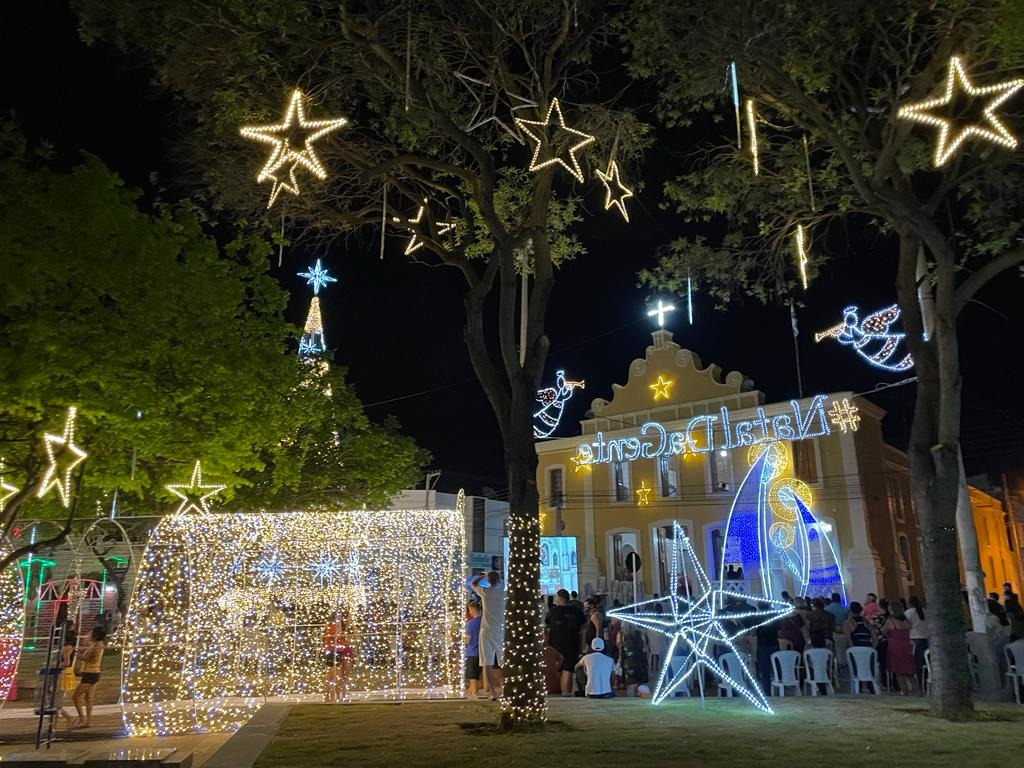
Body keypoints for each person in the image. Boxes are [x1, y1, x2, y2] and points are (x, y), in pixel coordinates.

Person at [470, 571, 505, 700]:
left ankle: (492, 693)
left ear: (488, 581)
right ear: (499, 580)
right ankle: (507, 687)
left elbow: (473, 583)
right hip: (501, 630)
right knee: (505, 661)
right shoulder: (503, 594)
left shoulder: (485, 592)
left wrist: (483, 575)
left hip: (486, 630)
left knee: (487, 662)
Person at [544, 589, 585, 696]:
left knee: (558, 667)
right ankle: (566, 692)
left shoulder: (553, 611)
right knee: (568, 668)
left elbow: (547, 626)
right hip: (572, 643)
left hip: (556, 643)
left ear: (559, 598)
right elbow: (583, 628)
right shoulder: (576, 612)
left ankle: (560, 691)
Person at [70, 626, 106, 729]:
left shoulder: (95, 646)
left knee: (76, 696)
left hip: (90, 674)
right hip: (94, 673)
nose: (89, 634)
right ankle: (88, 721)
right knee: (88, 698)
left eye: (91, 633)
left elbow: (85, 658)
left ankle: (82, 719)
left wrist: (75, 653)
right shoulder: (99, 645)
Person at [882, 603, 917, 695]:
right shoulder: (906, 621)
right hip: (906, 646)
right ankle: (918, 692)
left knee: (899, 672)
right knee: (910, 672)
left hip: (895, 647)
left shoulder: (890, 621)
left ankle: (904, 692)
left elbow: (884, 632)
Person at [323, 611, 354, 702]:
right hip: (333, 652)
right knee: (333, 675)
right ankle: (330, 696)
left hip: (336, 652)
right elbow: (339, 634)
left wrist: (347, 623)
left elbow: (342, 636)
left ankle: (333, 696)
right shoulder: (331, 627)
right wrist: (340, 623)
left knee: (334, 675)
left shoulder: (332, 627)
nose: (340, 619)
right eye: (339, 617)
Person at [755, 603, 782, 696]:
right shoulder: (774, 615)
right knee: (776, 668)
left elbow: (754, 632)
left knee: (764, 670)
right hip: (774, 643)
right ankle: (779, 689)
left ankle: (767, 691)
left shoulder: (758, 616)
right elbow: (779, 631)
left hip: (762, 645)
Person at [55, 623, 77, 730]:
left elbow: (67, 662)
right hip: (66, 673)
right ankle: (53, 725)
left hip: (64, 674)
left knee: (56, 702)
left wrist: (54, 666)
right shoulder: (70, 647)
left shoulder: (66, 648)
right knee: (56, 701)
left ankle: (69, 718)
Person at [617, 623, 648, 696]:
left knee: (630, 684)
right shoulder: (641, 633)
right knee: (639, 684)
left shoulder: (621, 635)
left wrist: (620, 662)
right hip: (640, 661)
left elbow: (620, 649)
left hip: (628, 663)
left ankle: (631, 699)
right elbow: (645, 648)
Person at [906, 595, 929, 676]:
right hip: (925, 637)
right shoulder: (924, 611)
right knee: (924, 661)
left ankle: (918, 678)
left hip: (914, 638)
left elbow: (906, 625)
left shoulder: (909, 612)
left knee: (916, 662)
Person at [464, 601, 482, 698]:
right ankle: (471, 694)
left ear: (472, 610)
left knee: (472, 677)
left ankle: (474, 695)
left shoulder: (471, 623)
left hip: (472, 652)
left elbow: (468, 639)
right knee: (476, 676)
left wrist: (464, 640)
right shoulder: (483, 621)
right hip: (481, 652)